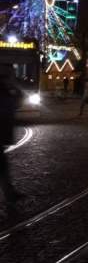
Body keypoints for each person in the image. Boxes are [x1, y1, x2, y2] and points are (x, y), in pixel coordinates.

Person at [0, 65, 24, 203]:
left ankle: (10, 193)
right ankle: (10, 193)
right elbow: (15, 104)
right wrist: (16, 88)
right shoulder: (4, 92)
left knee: (3, 166)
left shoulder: (5, 91)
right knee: (2, 166)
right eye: (10, 76)